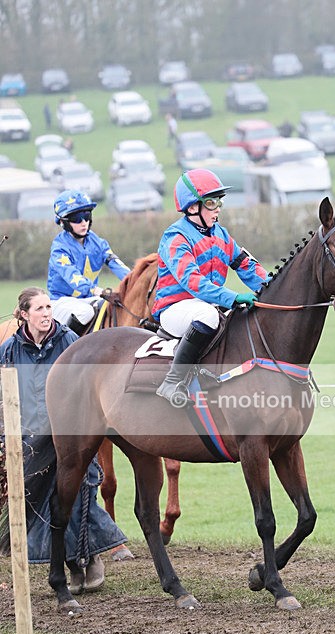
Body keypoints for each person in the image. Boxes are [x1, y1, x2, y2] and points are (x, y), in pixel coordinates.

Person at [0, 287, 129, 592]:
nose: (46, 314)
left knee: (81, 495)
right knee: (48, 501)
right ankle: (74, 561)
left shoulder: (69, 341)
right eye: (39, 308)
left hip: (72, 432)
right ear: (23, 315)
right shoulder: (9, 350)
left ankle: (89, 555)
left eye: (49, 307)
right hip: (32, 437)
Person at [152, 168, 269, 406]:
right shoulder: (175, 238)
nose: (218, 208)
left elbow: (246, 265)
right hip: (175, 309)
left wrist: (273, 287)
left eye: (219, 202)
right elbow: (194, 282)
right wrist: (233, 298)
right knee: (208, 315)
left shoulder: (221, 235)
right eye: (211, 202)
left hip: (207, 305)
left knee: (244, 318)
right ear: (193, 207)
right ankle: (172, 382)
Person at [48, 190, 130, 335]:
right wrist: (97, 290)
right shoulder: (59, 249)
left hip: (88, 299)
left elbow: (116, 264)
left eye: (86, 216)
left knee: (114, 310)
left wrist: (134, 280)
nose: (83, 222)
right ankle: (65, 345)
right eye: (77, 218)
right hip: (61, 301)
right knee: (85, 312)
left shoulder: (97, 242)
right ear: (63, 222)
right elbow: (73, 277)